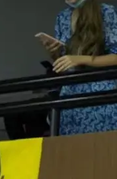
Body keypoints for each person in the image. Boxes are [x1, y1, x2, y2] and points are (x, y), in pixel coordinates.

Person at [41, 0, 117, 135]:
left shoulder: (106, 12)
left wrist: (81, 59)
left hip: (101, 95)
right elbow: (64, 63)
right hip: (70, 95)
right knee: (73, 151)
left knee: (104, 149)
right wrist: (54, 52)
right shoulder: (62, 17)